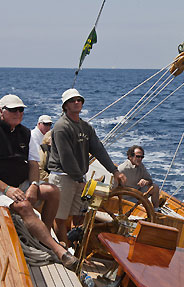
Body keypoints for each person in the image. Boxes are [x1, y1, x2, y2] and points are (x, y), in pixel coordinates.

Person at [0, 94, 79, 271]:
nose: (18, 113)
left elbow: (34, 163)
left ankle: (42, 233)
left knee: (53, 191)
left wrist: (34, 185)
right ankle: (59, 251)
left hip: (18, 184)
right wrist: (7, 189)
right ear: (1, 111)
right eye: (13, 110)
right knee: (24, 207)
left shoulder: (25, 133)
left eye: (21, 109)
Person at [48, 88, 127, 246]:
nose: (77, 102)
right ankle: (65, 251)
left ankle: (73, 246)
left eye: (79, 100)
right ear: (65, 106)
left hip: (79, 178)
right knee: (61, 218)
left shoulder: (85, 127)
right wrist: (80, 180)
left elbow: (98, 149)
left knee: (77, 215)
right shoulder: (61, 127)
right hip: (63, 177)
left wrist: (115, 170)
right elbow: (66, 158)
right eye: (72, 100)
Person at [118, 145, 160, 211]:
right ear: (130, 157)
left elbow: (150, 181)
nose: (140, 159)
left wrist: (146, 181)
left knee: (155, 187)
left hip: (137, 195)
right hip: (124, 198)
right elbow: (113, 190)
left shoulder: (141, 166)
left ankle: (157, 210)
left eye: (142, 157)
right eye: (137, 156)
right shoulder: (121, 169)